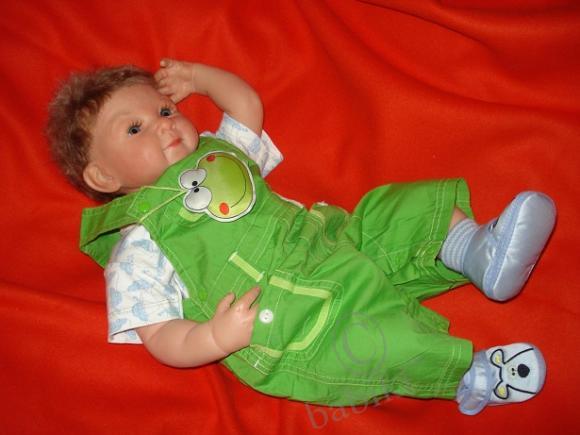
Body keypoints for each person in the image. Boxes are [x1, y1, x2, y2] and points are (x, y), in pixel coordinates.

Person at [47, 58, 556, 415]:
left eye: (164, 111)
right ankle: (474, 375)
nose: (163, 125)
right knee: (378, 344)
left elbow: (246, 106)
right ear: (103, 177)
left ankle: (477, 250)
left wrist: (198, 78)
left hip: (329, 241)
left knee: (390, 211)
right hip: (291, 319)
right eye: (134, 129)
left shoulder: (218, 152)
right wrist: (215, 338)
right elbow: (159, 336)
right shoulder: (138, 246)